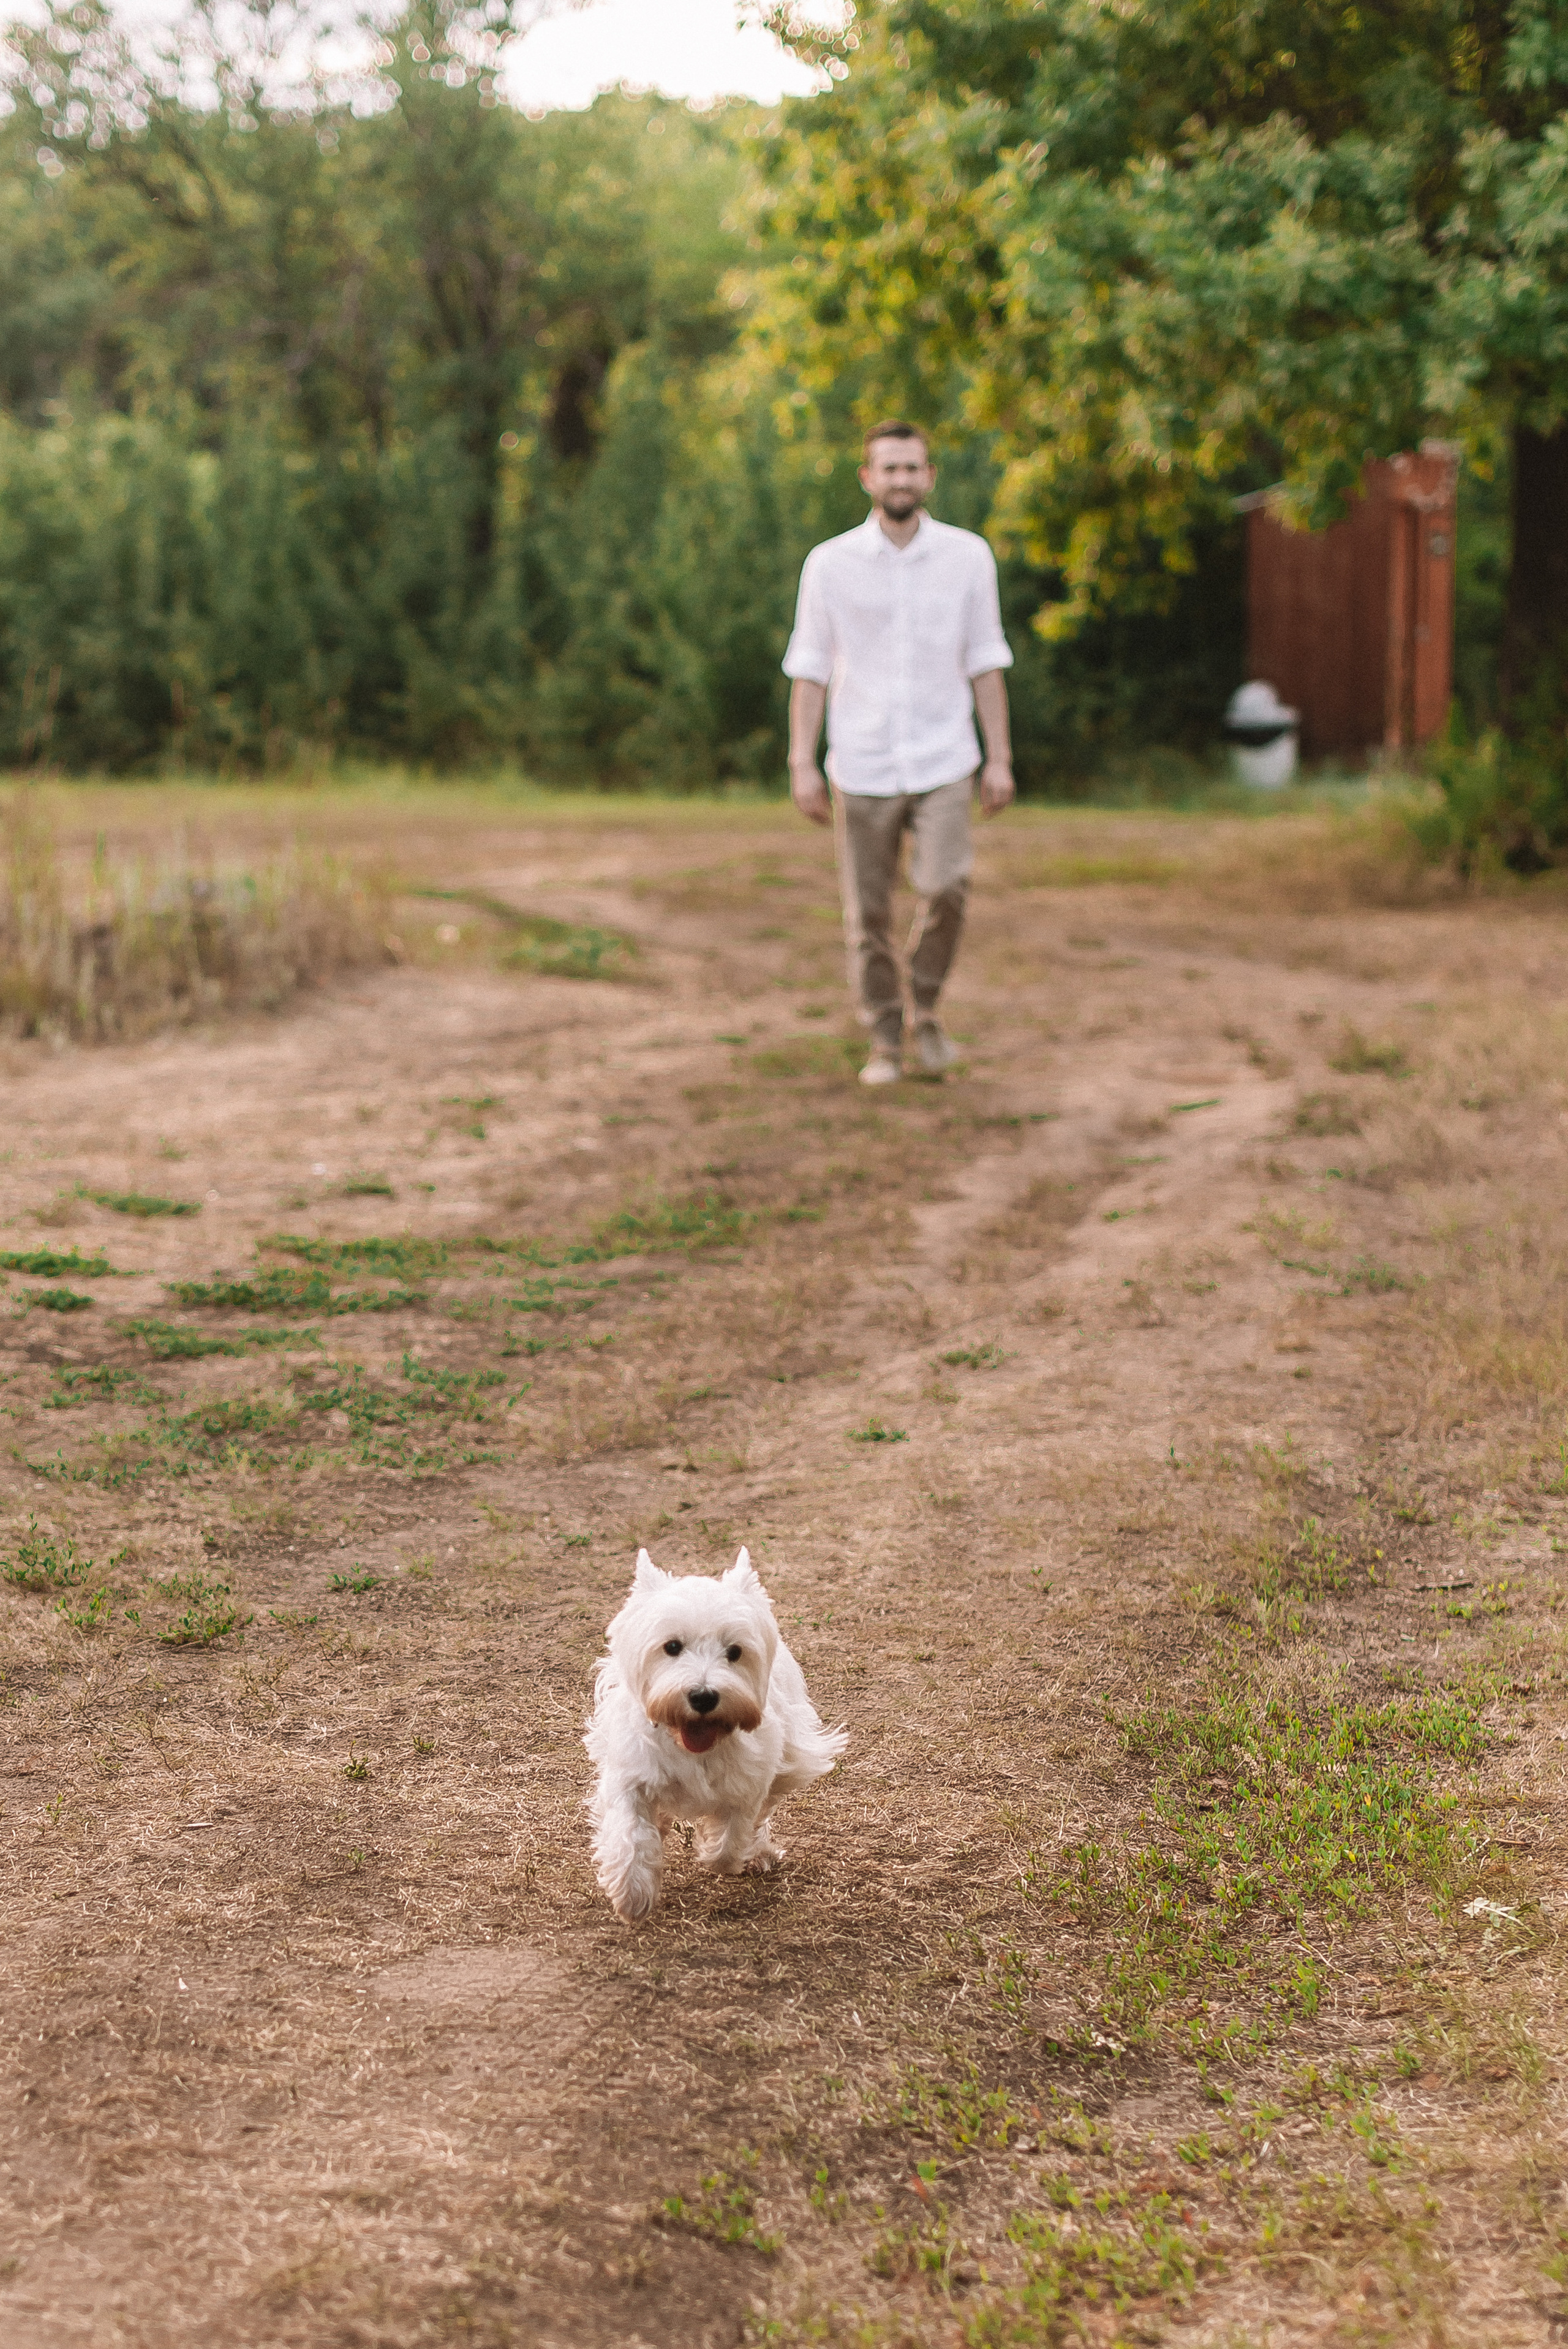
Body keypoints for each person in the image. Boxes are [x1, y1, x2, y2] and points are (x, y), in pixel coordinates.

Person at [782, 420, 1015, 1085]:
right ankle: (886, 1038)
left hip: (945, 756)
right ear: (867, 478)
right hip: (861, 761)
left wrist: (999, 757)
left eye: (912, 468)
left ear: (930, 476)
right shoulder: (829, 564)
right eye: (889, 468)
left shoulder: (968, 557)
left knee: (945, 887)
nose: (901, 479)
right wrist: (802, 760)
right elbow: (809, 668)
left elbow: (986, 660)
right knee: (870, 913)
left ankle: (928, 1005)